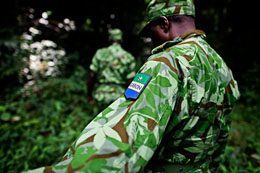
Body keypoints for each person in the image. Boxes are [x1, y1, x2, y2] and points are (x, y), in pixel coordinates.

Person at [27, 0, 240, 172]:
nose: (151, 41)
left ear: (165, 24)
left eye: (152, 32)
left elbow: (132, 141)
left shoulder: (166, 63)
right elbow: (222, 133)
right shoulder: (220, 65)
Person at [87, 28, 136, 109]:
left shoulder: (100, 53)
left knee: (99, 121)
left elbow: (92, 76)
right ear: (121, 40)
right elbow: (130, 81)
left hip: (101, 95)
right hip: (119, 96)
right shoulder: (128, 57)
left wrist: (89, 95)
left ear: (110, 40)